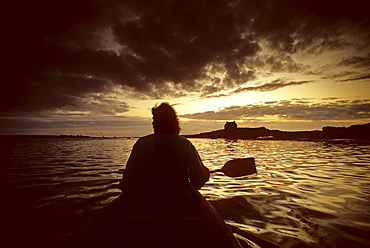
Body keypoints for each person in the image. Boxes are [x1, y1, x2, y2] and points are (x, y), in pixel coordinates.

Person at [119, 102, 210, 216]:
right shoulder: (185, 145)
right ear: (174, 122)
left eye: (155, 119)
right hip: (178, 206)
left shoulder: (141, 144)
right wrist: (205, 174)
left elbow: (127, 183)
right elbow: (198, 181)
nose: (152, 123)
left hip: (145, 206)